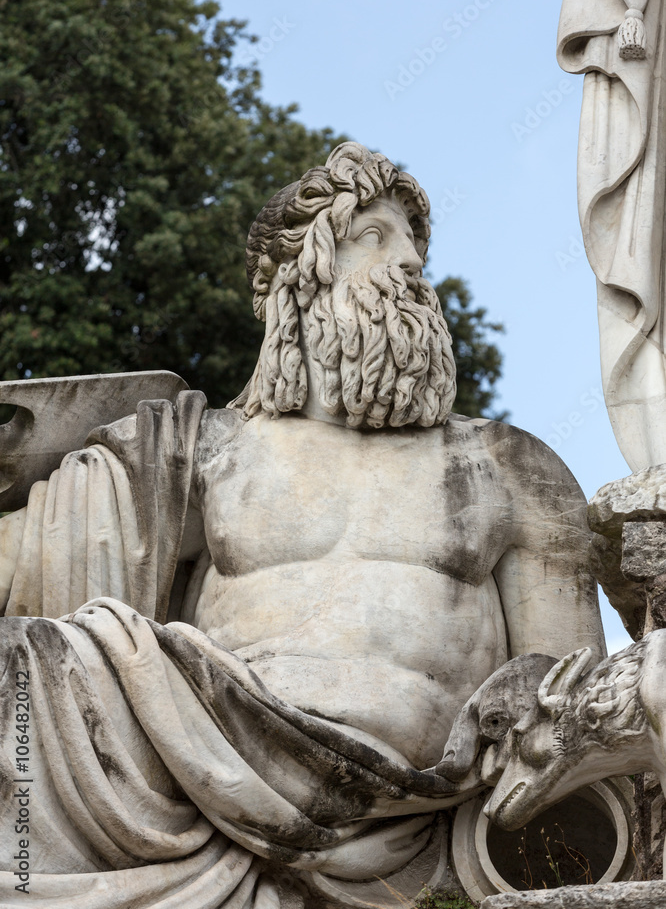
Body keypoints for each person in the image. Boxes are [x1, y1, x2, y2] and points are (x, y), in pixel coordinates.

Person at [0, 143, 605, 908]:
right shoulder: (200, 453)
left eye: (415, 242)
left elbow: (581, 695)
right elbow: (29, 562)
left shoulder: (508, 464)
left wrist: (532, 687)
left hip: (426, 819)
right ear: (299, 278)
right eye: (374, 237)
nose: (413, 263)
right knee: (22, 664)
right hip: (201, 782)